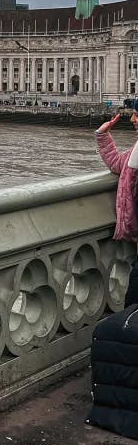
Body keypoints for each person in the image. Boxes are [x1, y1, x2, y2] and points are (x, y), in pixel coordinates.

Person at [95, 102, 138, 307]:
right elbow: (116, 164)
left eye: (137, 115)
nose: (132, 120)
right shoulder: (135, 151)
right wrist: (102, 135)